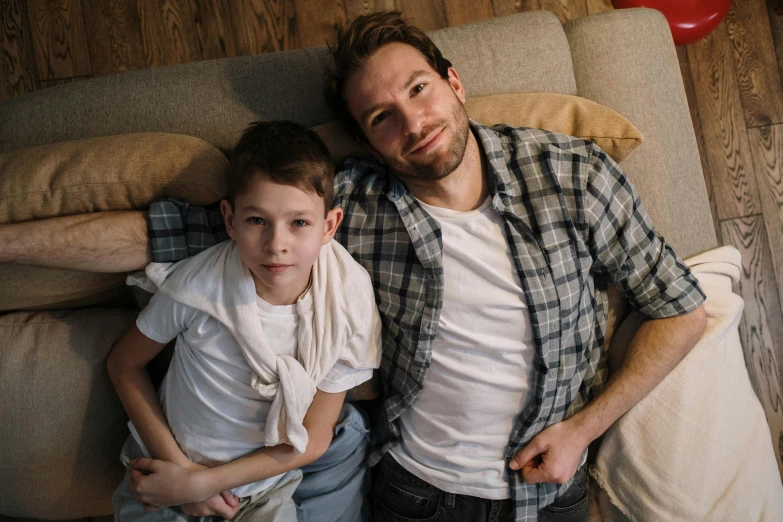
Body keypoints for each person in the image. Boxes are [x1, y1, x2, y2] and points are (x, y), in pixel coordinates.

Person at [0, 11, 707, 522]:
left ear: (454, 82)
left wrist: (582, 429)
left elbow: (680, 308)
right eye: (379, 118)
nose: (411, 122)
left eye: (418, 89)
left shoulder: (572, 174)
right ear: (366, 141)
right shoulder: (348, 210)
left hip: (550, 489)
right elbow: (161, 235)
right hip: (415, 491)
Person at [106, 121, 382, 521]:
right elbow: (123, 364)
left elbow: (316, 437)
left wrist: (205, 483)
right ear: (230, 220)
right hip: (165, 466)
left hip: (263, 485)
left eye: (299, 223)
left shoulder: (348, 299)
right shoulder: (198, 287)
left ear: (329, 226)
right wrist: (183, 478)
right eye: (257, 221)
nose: (276, 244)